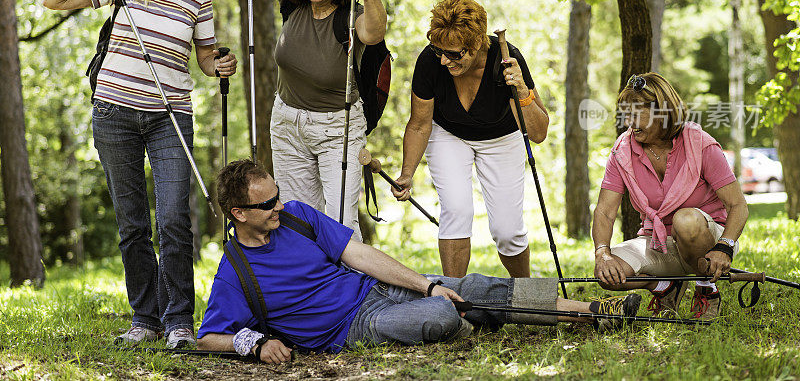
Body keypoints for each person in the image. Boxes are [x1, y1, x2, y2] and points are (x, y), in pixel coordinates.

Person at [197, 159, 640, 363]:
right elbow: (208, 337)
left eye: (277, 195)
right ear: (239, 214)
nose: (279, 205)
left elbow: (362, 255)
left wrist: (424, 283)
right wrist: (253, 345)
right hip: (353, 330)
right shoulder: (234, 273)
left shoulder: (296, 217)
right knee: (442, 314)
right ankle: (469, 313)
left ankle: (595, 313)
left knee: (477, 286)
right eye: (267, 203)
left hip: (375, 291)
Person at [43, 0, 237, 348]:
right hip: (114, 114)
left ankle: (179, 322)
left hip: (170, 116)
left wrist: (219, 64)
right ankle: (144, 319)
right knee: (132, 224)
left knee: (173, 218)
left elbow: (204, 57)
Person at [233, 0, 388, 238]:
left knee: (338, 225)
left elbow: (373, 32)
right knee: (298, 220)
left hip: (339, 127)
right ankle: (313, 293)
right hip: (287, 122)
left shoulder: (349, 12)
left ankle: (351, 292)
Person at [390, 0, 549, 278]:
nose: (443, 61)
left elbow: (538, 132)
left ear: (476, 44)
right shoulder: (430, 61)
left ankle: (524, 294)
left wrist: (522, 90)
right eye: (439, 51)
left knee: (508, 230)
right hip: (449, 134)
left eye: (453, 54)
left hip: (502, 137)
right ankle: (454, 301)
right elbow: (418, 124)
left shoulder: (506, 60)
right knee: (456, 211)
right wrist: (407, 173)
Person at [592, 73, 749, 320]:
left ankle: (707, 289)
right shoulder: (622, 151)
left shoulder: (700, 145)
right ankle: (666, 287)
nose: (628, 122)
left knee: (685, 219)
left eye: (635, 114)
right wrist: (602, 253)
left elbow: (738, 204)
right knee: (609, 273)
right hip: (659, 242)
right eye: (625, 114)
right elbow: (605, 210)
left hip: (709, 240)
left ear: (662, 113)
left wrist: (725, 247)